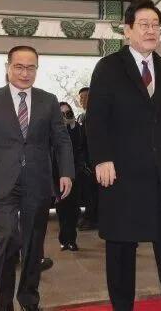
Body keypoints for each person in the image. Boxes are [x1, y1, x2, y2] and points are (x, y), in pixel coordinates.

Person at [86, 0, 161, 311]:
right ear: (127, 30)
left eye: (155, 25)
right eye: (144, 25)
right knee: (121, 250)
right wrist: (102, 158)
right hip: (122, 174)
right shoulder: (109, 68)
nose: (151, 30)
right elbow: (96, 119)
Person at [0, 45, 74, 311]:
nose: (25, 73)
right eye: (19, 67)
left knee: (33, 243)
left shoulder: (48, 100)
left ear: (37, 69)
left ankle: (29, 299)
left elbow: (61, 140)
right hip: (3, 181)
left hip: (37, 181)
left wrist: (66, 172)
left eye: (31, 68)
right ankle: (3, 303)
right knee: (7, 238)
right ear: (7, 67)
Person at [54, 102, 85, 251]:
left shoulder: (76, 129)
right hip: (58, 175)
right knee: (62, 209)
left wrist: (72, 124)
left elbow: (79, 145)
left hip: (75, 175)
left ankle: (72, 240)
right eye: (62, 114)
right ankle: (63, 239)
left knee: (73, 209)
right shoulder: (53, 130)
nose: (66, 116)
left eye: (68, 112)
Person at [75, 87, 97, 231]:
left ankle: (93, 219)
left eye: (86, 97)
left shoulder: (96, 116)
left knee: (94, 192)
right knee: (88, 191)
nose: (83, 100)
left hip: (94, 162)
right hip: (84, 162)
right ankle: (89, 216)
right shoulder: (82, 117)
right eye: (81, 98)